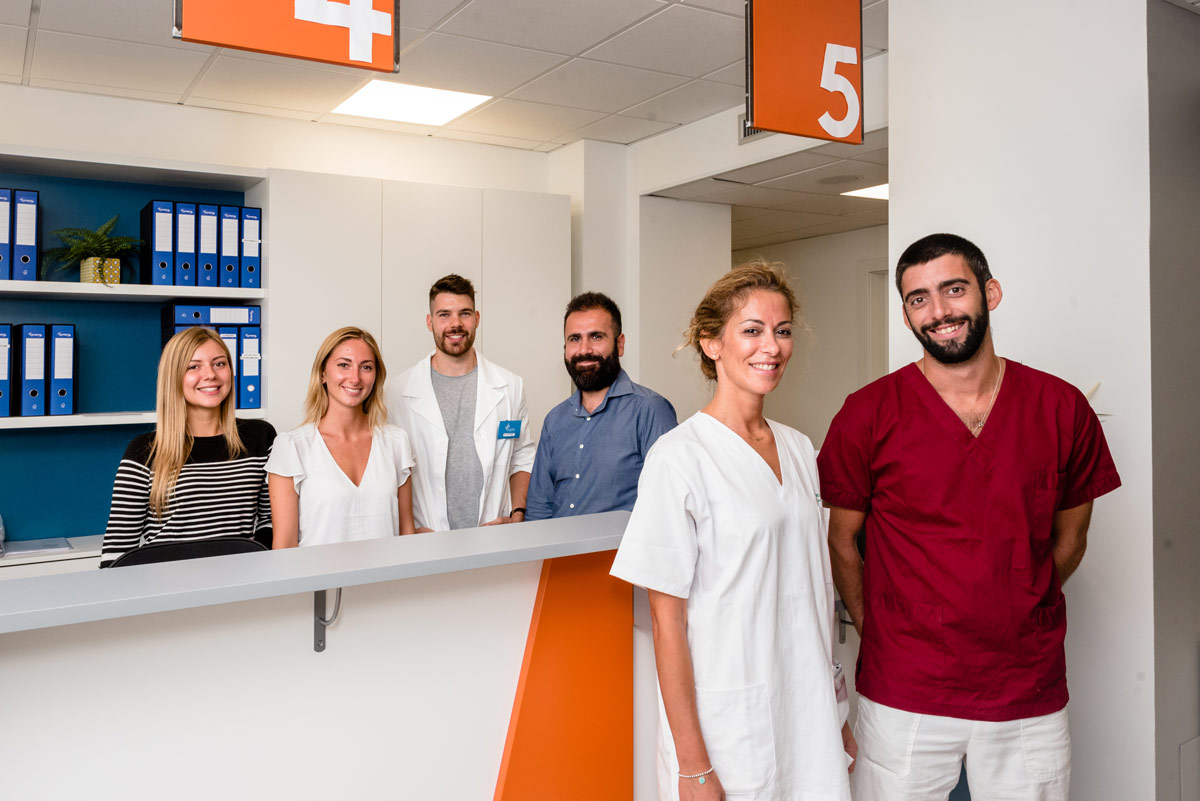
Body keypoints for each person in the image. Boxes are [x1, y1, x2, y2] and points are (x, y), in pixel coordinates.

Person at [818, 233, 1122, 801]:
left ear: (990, 293)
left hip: (1025, 686)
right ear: (906, 314)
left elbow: (1072, 537)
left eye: (953, 290)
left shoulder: (1061, 408)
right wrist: (878, 632)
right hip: (906, 685)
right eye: (918, 299)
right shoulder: (867, 413)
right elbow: (842, 542)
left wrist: (1016, 600)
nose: (938, 311)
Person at [611, 261, 854, 801]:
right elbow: (667, 623)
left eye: (782, 330)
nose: (772, 346)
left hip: (809, 716)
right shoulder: (679, 458)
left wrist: (836, 713)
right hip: (730, 730)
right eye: (752, 330)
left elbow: (812, 596)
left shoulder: (800, 449)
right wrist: (693, 766)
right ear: (711, 344)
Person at [99, 327, 274, 567]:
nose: (210, 375)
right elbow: (116, 551)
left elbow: (270, 520)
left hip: (241, 579)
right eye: (194, 367)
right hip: (167, 583)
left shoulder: (260, 437)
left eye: (219, 364)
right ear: (174, 377)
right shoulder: (144, 451)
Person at [389, 275, 534, 532]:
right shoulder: (396, 392)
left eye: (464, 313)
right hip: (426, 539)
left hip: (495, 536)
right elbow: (388, 470)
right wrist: (407, 529)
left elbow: (522, 457)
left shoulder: (510, 386)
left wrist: (518, 513)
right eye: (444, 315)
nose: (455, 324)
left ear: (476, 318)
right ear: (429, 322)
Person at [525, 291, 677, 520]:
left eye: (596, 336)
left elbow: (670, 505)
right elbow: (539, 508)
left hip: (623, 545)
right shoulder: (554, 420)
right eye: (574, 339)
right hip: (558, 545)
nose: (584, 350)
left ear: (620, 344)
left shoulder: (650, 410)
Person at [267, 327, 415, 547]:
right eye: (344, 365)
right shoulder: (292, 447)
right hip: (317, 571)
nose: (355, 378)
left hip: (388, 570)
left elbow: (406, 534)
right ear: (323, 373)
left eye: (366, 367)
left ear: (376, 376)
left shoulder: (396, 442)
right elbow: (284, 547)